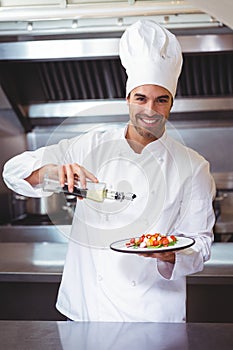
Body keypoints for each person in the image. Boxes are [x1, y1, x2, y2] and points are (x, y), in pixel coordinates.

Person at [2, 19, 216, 322]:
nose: (150, 111)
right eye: (141, 98)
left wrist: (168, 254)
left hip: (153, 316)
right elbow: (13, 172)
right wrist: (51, 172)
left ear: (171, 104)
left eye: (161, 100)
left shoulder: (194, 166)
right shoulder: (89, 145)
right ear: (128, 99)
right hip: (88, 310)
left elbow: (201, 245)